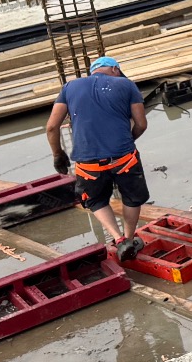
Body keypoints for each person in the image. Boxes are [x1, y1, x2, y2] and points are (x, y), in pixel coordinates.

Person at [46, 55, 150, 254]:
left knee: (96, 201)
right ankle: (129, 238)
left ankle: (118, 240)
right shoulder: (126, 85)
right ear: (114, 69)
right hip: (124, 159)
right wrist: (127, 141)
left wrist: (58, 154)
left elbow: (52, 127)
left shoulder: (70, 87)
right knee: (131, 198)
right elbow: (141, 124)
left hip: (88, 165)